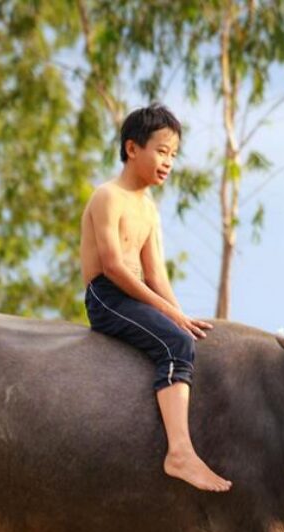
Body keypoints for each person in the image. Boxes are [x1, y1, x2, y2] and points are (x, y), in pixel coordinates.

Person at [80, 104, 232, 493]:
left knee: (192, 335)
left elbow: (157, 275)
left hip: (138, 296)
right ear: (132, 148)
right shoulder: (108, 197)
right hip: (109, 297)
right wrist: (172, 321)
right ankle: (179, 452)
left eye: (173, 156)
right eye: (161, 151)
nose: (168, 162)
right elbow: (113, 267)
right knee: (175, 341)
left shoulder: (148, 209)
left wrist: (181, 315)